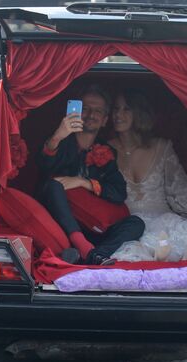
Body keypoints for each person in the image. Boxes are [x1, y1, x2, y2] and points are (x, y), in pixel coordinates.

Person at [36, 85, 144, 264]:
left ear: (104, 120)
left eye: (98, 111)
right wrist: (57, 137)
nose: (91, 115)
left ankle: (92, 255)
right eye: (85, 109)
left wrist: (83, 182)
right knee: (53, 185)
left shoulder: (106, 150)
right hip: (62, 222)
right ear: (76, 111)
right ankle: (83, 247)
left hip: (93, 226)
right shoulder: (59, 140)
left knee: (136, 223)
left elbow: (119, 192)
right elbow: (43, 165)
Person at [106, 89, 187, 262]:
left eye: (126, 109)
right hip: (126, 227)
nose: (118, 114)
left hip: (162, 221)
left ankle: (168, 259)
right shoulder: (105, 149)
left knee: (171, 240)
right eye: (115, 109)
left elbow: (181, 191)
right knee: (132, 250)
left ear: (139, 113)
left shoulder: (162, 147)